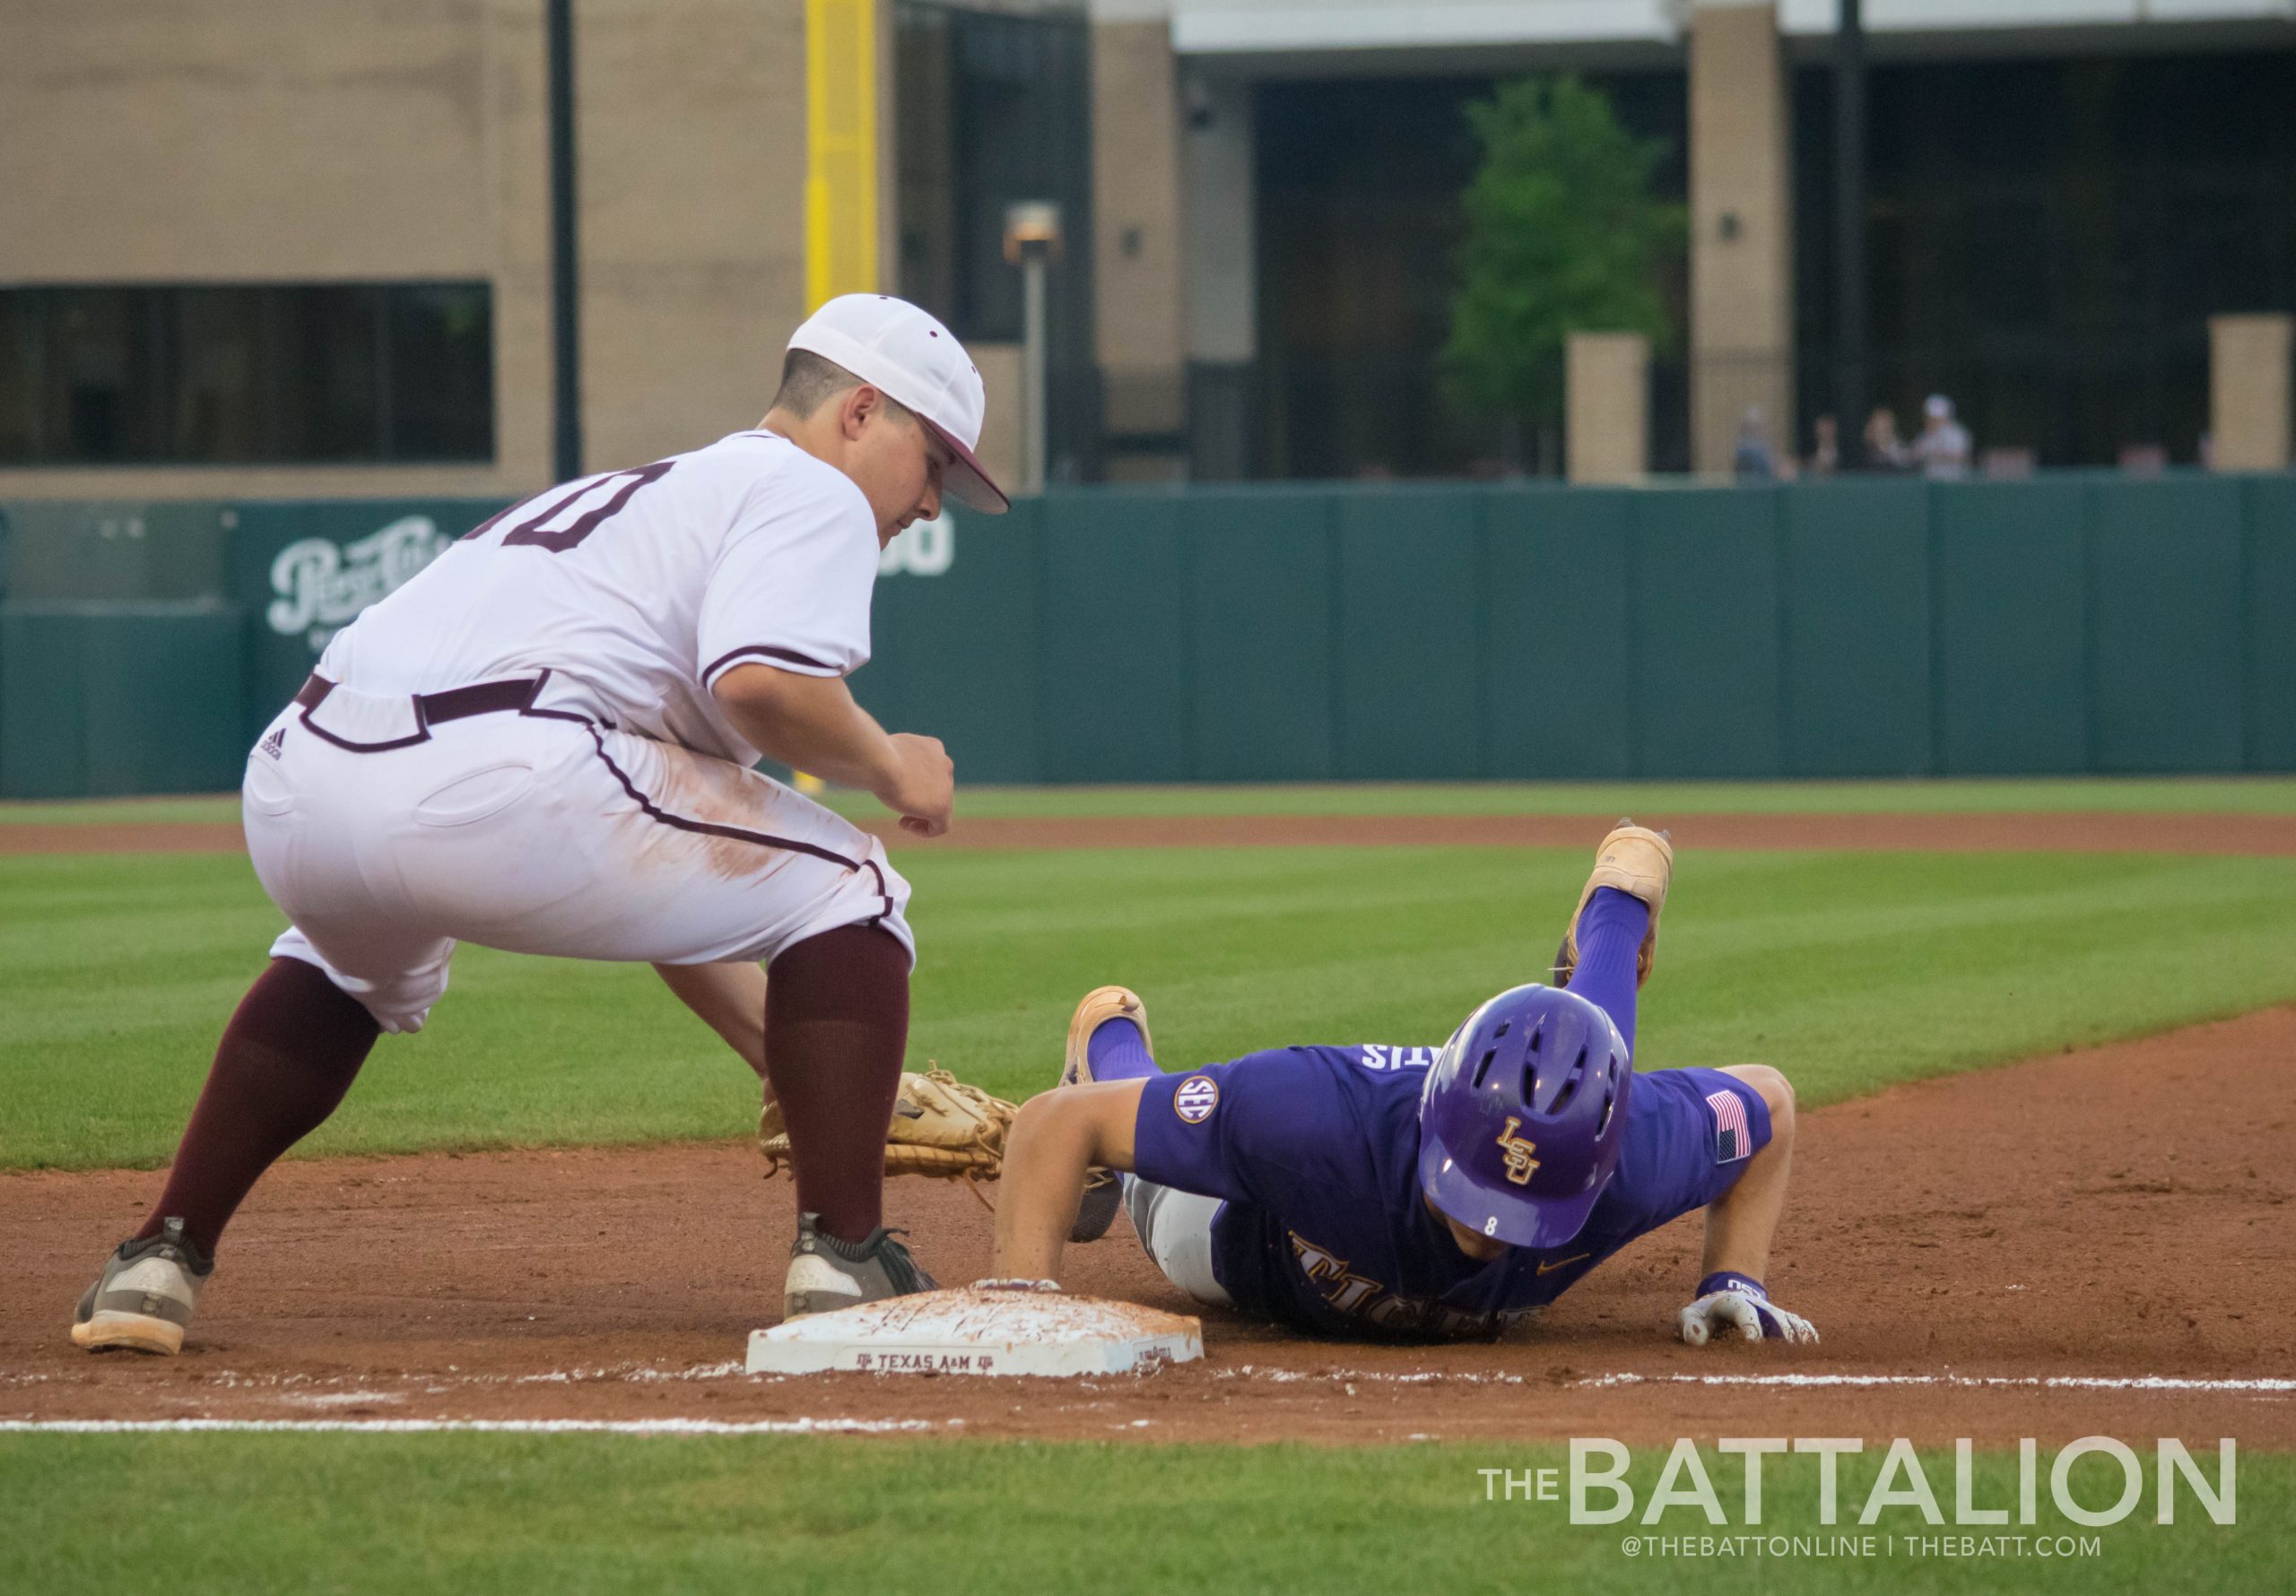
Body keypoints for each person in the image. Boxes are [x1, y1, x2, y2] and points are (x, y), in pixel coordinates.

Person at [70, 294, 1008, 1357]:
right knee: (855, 884)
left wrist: (802, 1073)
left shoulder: (648, 495)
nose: (931, 502)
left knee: (351, 967)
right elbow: (758, 683)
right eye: (932, 461)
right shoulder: (809, 492)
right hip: (505, 765)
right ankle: (845, 1248)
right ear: (859, 412)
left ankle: (157, 1255)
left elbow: (667, 891)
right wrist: (892, 764)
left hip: (301, 780)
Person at [989, 825, 1814, 1347]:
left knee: (1592, 1059)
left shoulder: (1621, 1152)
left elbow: (1767, 1101)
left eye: (1520, 1209)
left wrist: (1731, 1281)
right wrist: (1024, 1309)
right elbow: (1056, 1125)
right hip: (1261, 1251)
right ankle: (1111, 1040)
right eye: (1473, 1192)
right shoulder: (1306, 1117)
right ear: (1432, 1127)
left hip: (1564, 1133)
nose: (1489, 1232)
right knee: (1153, 1195)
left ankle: (1618, 905)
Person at [1912, 394, 1972, 480]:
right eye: (1929, 417)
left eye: (1936, 418)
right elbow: (1914, 454)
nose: (1932, 421)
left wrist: (1931, 455)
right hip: (1930, 483)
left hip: (1953, 482)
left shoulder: (1957, 434)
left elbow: (1960, 457)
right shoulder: (1924, 435)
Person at [1861, 404, 1909, 472]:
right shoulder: (1862, 456)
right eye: (1880, 427)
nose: (1885, 431)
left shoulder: (1904, 452)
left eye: (1888, 426)